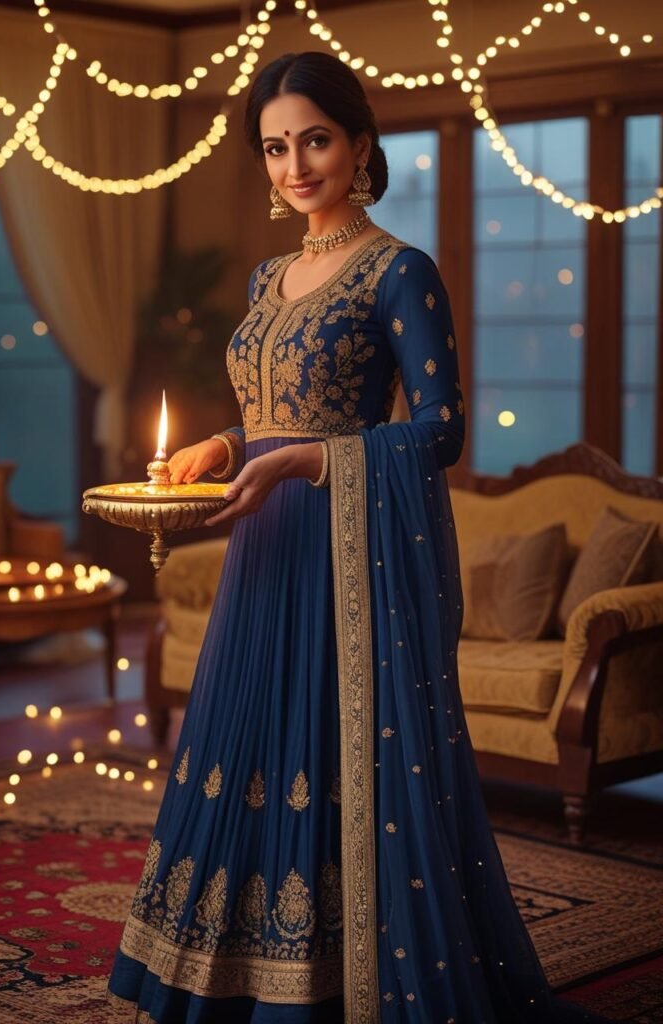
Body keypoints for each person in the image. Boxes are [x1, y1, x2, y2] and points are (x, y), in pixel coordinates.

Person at [106, 50, 610, 1024]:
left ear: (362, 145)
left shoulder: (398, 273)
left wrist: (308, 463)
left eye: (316, 141)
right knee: (240, 748)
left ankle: (335, 983)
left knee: (326, 763)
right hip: (265, 545)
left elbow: (442, 427)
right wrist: (218, 443)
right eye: (275, 147)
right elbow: (269, 412)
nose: (295, 166)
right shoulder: (269, 273)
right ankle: (226, 977)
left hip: (347, 560)